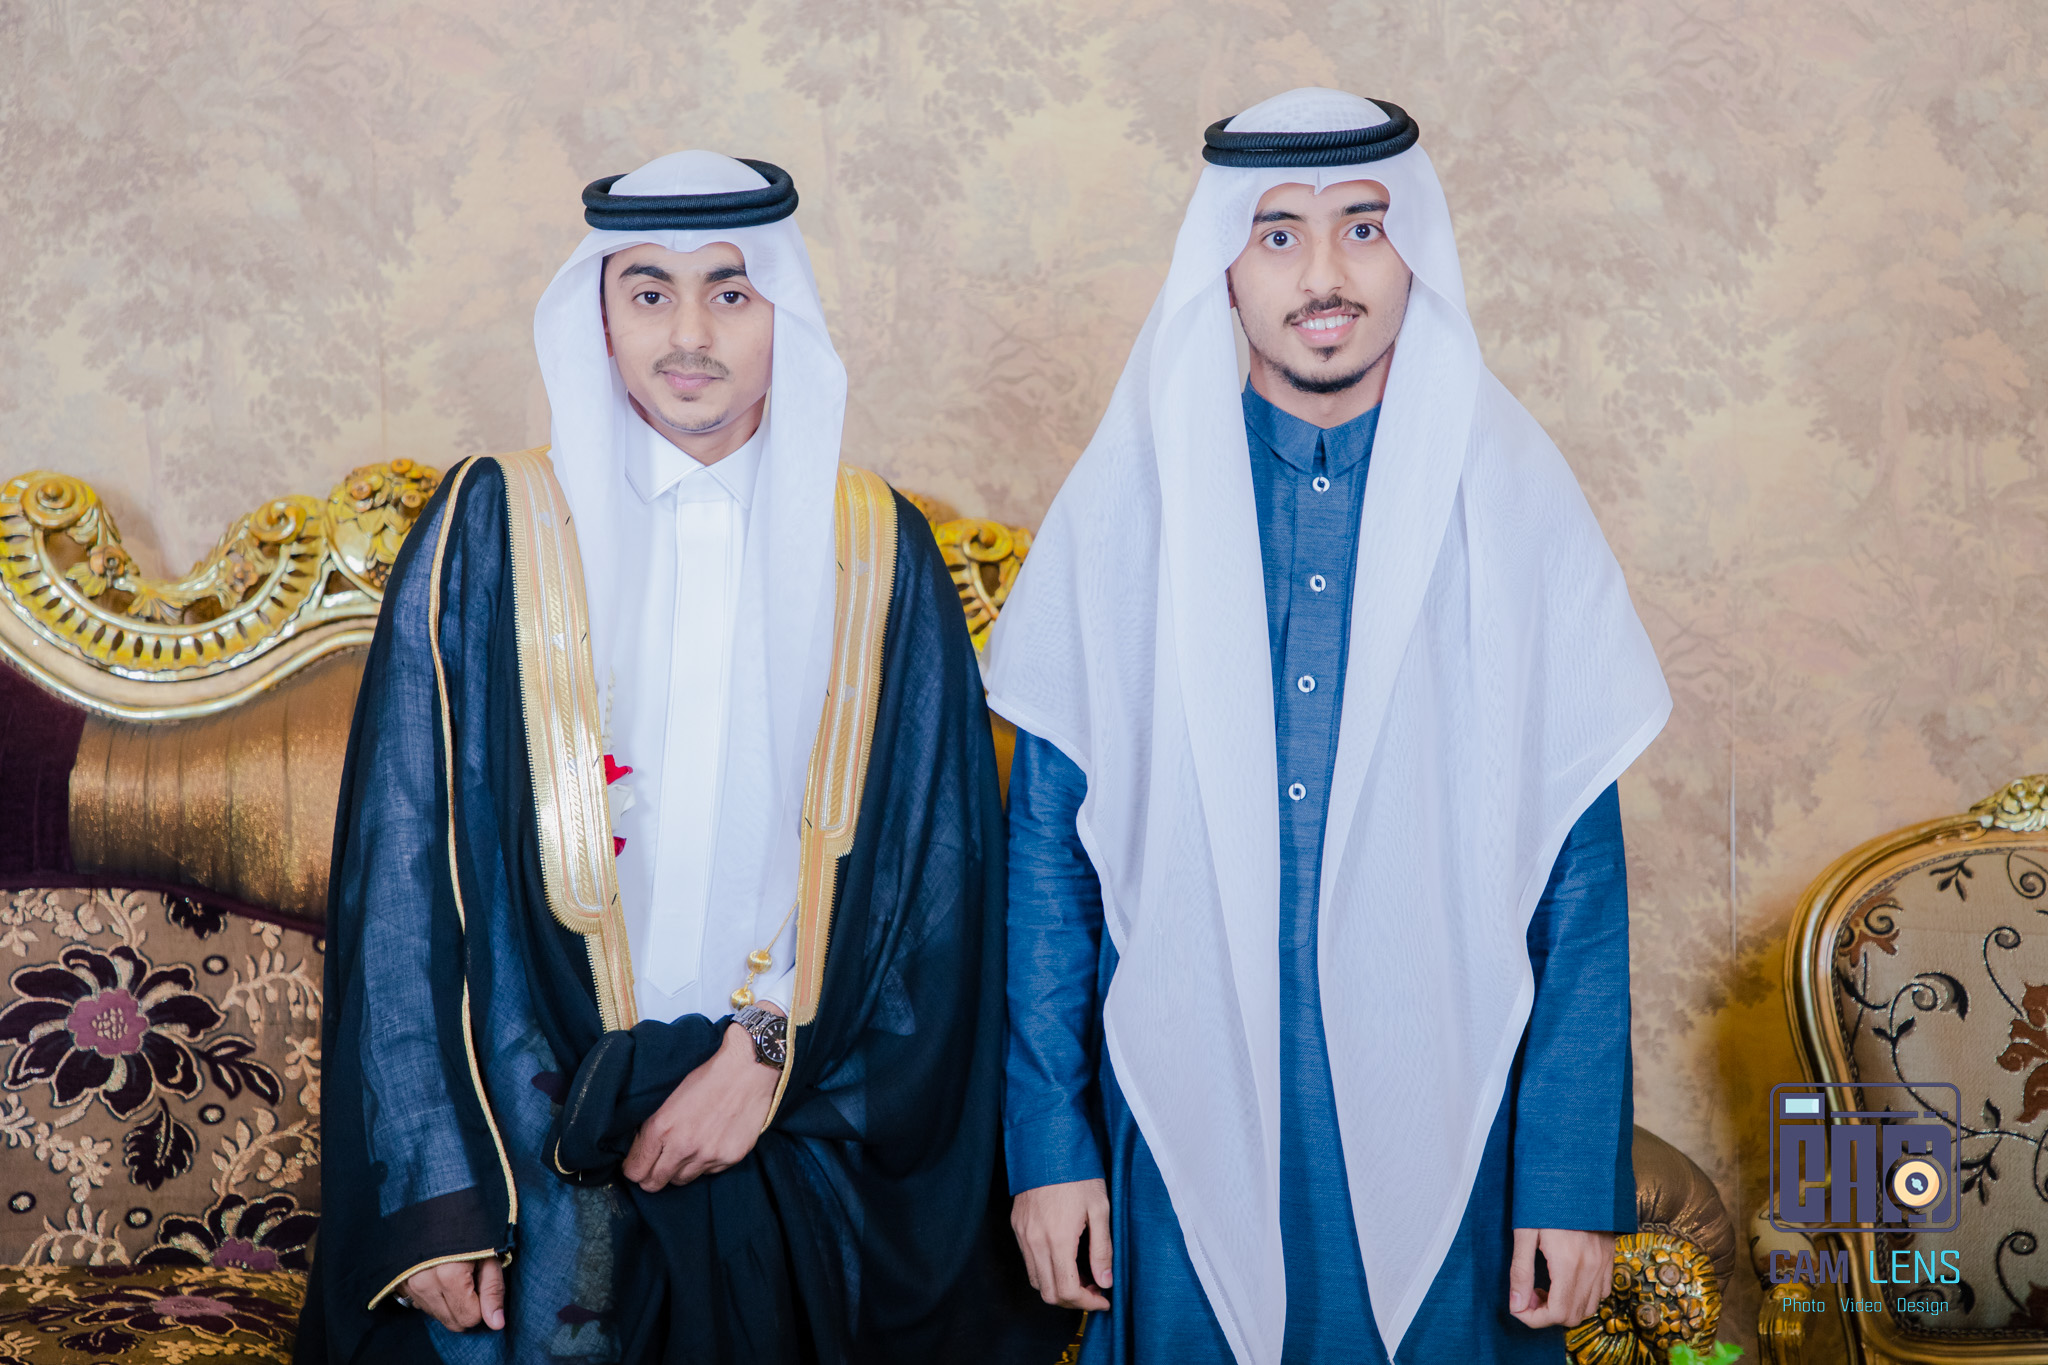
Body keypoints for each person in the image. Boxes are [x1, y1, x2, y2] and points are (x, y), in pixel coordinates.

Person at [298, 150, 1067, 1364]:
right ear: (600, 317)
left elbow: (934, 891)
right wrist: (437, 1195)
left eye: (731, 291)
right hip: (530, 1140)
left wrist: (765, 1058)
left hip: (797, 1127)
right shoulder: (491, 529)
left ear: (783, 313)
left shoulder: (877, 551)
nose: (690, 336)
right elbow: (402, 876)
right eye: (649, 292)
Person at [986, 89, 1673, 1365]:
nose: (1322, 276)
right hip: (1178, 1118)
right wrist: (1048, 1149)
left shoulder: (1510, 503)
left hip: (1451, 1124)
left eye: (1362, 228)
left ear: (1415, 254)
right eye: (1277, 235)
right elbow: (1047, 866)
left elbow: (1576, 879)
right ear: (1224, 268)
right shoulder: (1127, 509)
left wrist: (1568, 1178)